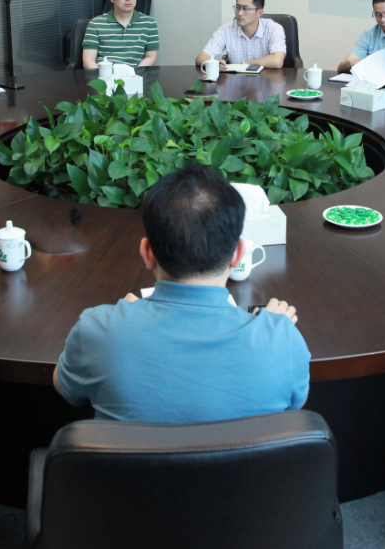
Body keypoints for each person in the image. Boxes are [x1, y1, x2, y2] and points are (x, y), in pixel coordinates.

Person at [53, 165, 310, 423]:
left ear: (147, 253)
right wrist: (273, 328)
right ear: (238, 254)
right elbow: (295, 404)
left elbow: (64, 387)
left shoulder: (98, 331)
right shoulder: (282, 341)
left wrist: (117, 321)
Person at [195, 0, 287, 69]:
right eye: (238, 7)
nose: (239, 13)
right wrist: (213, 63)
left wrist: (247, 63)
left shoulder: (273, 29)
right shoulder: (226, 30)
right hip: (236, 80)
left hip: (267, 80)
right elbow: (201, 57)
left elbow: (277, 61)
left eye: (245, 9)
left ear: (259, 12)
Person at [81, 0, 159, 69]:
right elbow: (88, 60)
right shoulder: (95, 24)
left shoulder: (149, 23)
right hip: (105, 75)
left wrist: (134, 74)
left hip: (136, 75)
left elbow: (151, 57)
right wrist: (102, 77)